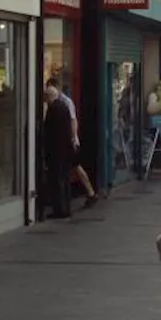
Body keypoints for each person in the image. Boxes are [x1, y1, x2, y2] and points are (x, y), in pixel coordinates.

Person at [46, 79, 98, 208]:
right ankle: (87, 193)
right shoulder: (57, 101)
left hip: (68, 142)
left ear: (57, 88)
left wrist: (73, 139)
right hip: (66, 141)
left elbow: (73, 121)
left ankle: (90, 192)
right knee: (73, 167)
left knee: (75, 167)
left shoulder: (66, 102)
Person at [41, 80, 78, 219]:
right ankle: (66, 208)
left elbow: (48, 131)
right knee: (65, 179)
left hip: (56, 151)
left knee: (57, 180)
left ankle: (59, 209)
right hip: (66, 149)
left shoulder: (53, 109)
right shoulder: (64, 106)